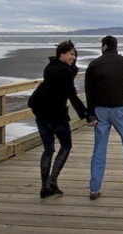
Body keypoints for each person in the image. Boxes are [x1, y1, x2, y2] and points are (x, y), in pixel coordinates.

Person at [28, 40, 95, 199]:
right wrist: (86, 115)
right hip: (56, 115)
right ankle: (52, 181)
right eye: (71, 54)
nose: (73, 57)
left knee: (48, 149)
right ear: (62, 54)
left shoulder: (49, 68)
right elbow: (72, 96)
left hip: (41, 114)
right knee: (66, 145)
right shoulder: (64, 72)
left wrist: (72, 66)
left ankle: (45, 186)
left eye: (75, 55)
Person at [85, 35, 123, 200]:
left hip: (100, 110)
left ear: (104, 47)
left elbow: (89, 91)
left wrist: (90, 114)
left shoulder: (94, 64)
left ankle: (95, 188)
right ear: (116, 47)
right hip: (119, 109)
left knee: (99, 149)